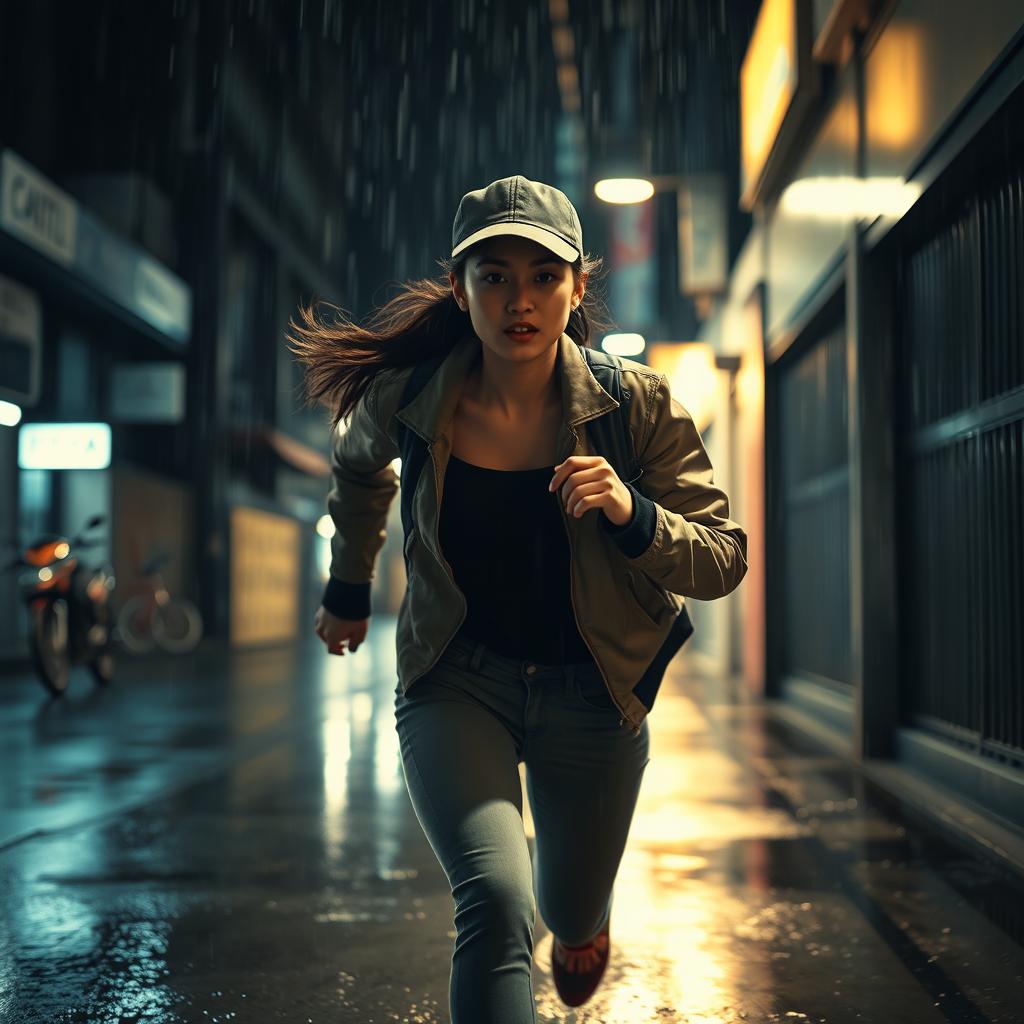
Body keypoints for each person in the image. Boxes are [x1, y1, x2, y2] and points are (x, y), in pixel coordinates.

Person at [288, 175, 747, 1023]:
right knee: (496, 902)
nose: (519, 299)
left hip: (595, 693)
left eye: (543, 275)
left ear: (577, 287)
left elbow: (721, 560)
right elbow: (357, 467)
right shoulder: (414, 395)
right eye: (493, 275)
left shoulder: (632, 404)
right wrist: (349, 585)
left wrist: (631, 513)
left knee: (565, 912)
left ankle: (583, 922)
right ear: (459, 290)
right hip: (456, 681)